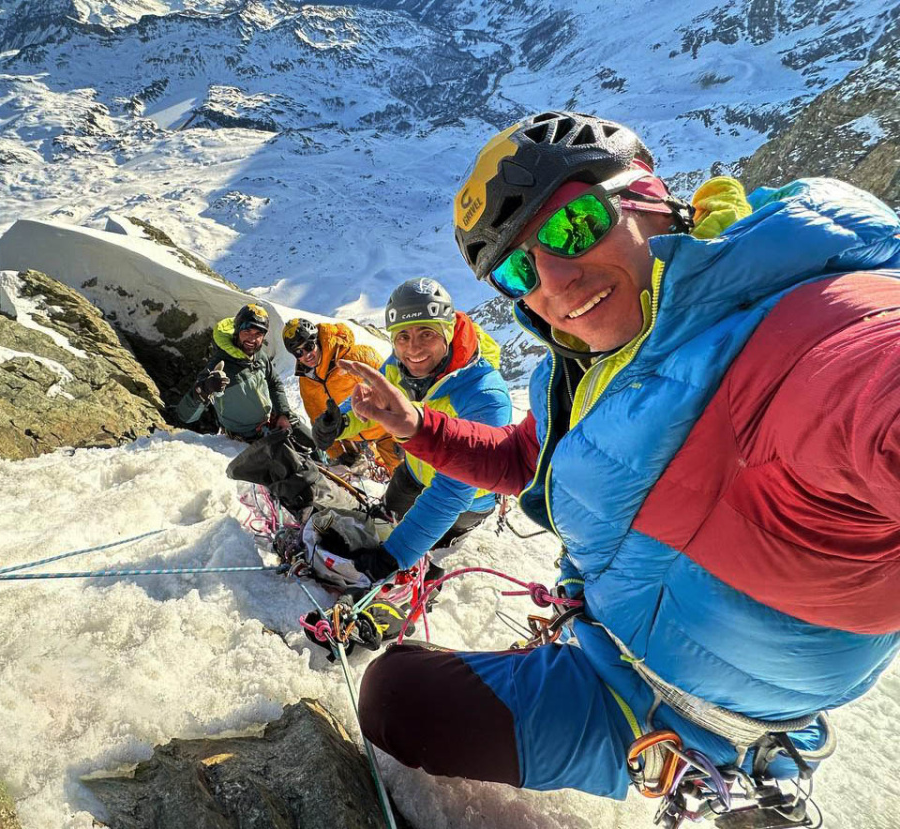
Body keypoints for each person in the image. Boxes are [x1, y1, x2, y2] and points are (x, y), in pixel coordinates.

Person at [343, 111, 900, 806]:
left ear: (649, 195)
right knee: (397, 691)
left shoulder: (808, 325)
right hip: (619, 654)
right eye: (519, 269)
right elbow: (529, 458)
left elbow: (870, 385)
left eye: (572, 226)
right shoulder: (585, 367)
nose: (555, 281)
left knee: (397, 695)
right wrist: (416, 425)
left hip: (681, 713)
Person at [317, 278, 512, 586]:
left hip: (469, 501)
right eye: (403, 336)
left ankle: (426, 582)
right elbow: (374, 402)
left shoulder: (483, 396)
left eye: (427, 333)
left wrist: (394, 555)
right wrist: (340, 423)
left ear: (447, 332)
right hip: (413, 472)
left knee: (426, 558)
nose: (414, 348)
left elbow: (452, 492)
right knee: (386, 519)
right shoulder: (399, 366)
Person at [176, 303, 314, 449]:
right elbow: (185, 416)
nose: (252, 339)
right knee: (295, 465)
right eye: (247, 331)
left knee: (315, 445)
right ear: (237, 330)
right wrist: (204, 389)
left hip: (273, 422)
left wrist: (283, 413)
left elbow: (274, 383)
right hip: (244, 438)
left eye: (258, 334)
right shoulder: (220, 365)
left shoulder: (259, 356)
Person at [283, 316, 404, 475]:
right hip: (353, 442)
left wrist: (402, 435)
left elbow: (395, 388)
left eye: (309, 346)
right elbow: (318, 418)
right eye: (299, 352)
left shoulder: (356, 356)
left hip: (385, 432)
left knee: (403, 479)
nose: (306, 354)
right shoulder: (307, 382)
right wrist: (337, 453)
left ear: (317, 340)